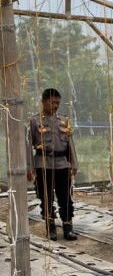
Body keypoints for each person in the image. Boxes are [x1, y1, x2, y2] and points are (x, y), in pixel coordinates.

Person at [26, 88, 78, 241]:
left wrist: (73, 163)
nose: (55, 106)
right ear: (43, 102)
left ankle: (68, 227)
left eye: (57, 103)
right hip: (43, 164)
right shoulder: (35, 121)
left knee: (66, 198)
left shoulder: (64, 121)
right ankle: (51, 228)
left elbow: (70, 143)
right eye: (52, 102)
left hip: (62, 164)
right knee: (46, 197)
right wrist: (30, 168)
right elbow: (28, 146)